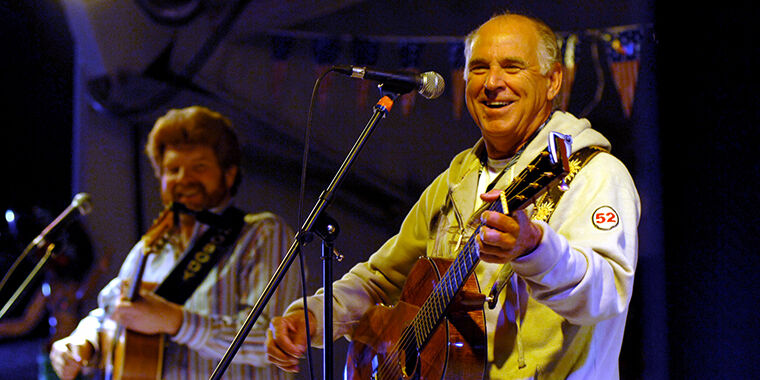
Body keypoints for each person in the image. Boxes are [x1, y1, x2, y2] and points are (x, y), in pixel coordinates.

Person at [266, 12, 640, 379]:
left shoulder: (594, 174)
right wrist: (314, 316)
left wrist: (534, 248)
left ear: (553, 80)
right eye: (478, 68)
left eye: (512, 67)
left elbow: (605, 295)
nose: (492, 82)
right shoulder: (453, 183)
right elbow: (378, 278)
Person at [49, 106, 301, 379]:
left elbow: (273, 341)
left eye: (199, 167)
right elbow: (109, 311)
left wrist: (178, 322)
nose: (184, 178)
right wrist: (81, 342)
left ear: (228, 174)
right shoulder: (149, 250)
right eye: (173, 169)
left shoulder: (262, 234)